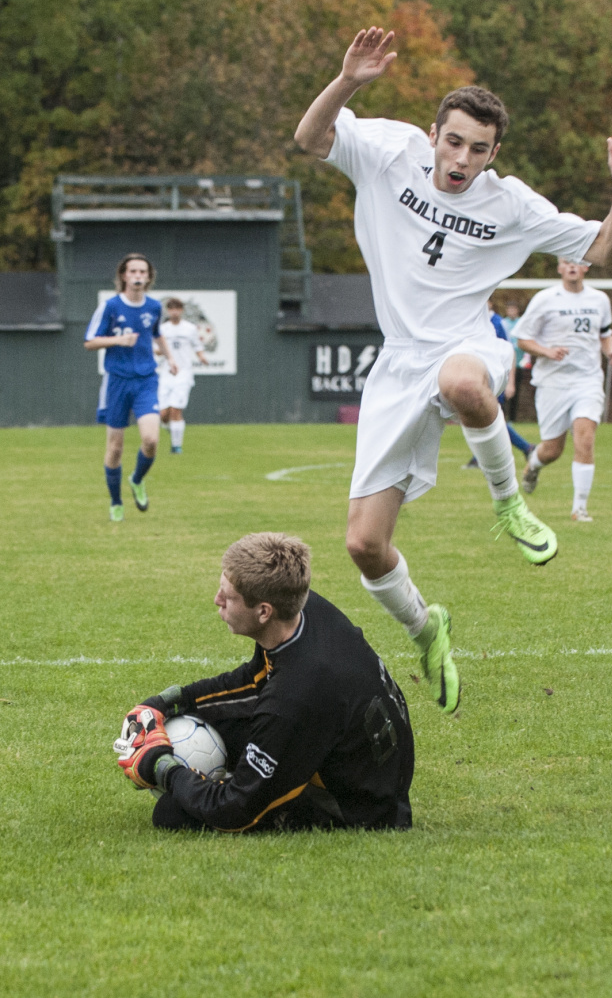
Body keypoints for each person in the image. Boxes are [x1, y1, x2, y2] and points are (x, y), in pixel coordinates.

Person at [294, 26, 612, 714]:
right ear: (433, 134)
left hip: (466, 340)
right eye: (453, 141)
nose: (461, 158)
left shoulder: (510, 204)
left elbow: (604, 247)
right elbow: (311, 138)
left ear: (494, 153)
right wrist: (348, 82)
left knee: (462, 385)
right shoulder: (389, 151)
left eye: (478, 148)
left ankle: (509, 503)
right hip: (397, 362)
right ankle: (428, 630)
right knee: (364, 544)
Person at [114, 532, 414, 833]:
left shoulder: (294, 696)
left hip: (357, 806)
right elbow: (254, 679)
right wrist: (169, 703)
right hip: (358, 761)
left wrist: (163, 768)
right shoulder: (302, 610)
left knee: (171, 813)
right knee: (205, 723)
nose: (216, 601)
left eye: (227, 597)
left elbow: (233, 811)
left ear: (263, 611)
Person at [517, 259, 612, 521]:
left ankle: (579, 508)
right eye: (567, 262)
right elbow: (523, 339)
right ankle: (533, 465)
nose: (573, 267)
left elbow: (605, 332)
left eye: (578, 262)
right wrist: (547, 351)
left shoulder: (599, 300)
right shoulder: (545, 299)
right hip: (553, 382)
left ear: (586, 267)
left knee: (585, 439)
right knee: (552, 450)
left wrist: (611, 351)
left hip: (587, 380)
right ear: (559, 268)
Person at [84, 253, 177, 521]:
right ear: (123, 275)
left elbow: (157, 333)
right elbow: (89, 341)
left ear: (148, 277)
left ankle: (137, 479)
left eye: (142, 272)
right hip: (117, 381)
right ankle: (116, 501)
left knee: (151, 440)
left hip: (146, 380)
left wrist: (170, 358)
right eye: (133, 271)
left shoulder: (154, 307)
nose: (137, 276)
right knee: (115, 447)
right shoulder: (110, 306)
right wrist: (118, 341)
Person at [464, 301, 534, 468]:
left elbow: (509, 352)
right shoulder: (470, 321)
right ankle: (524, 448)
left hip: (494, 377)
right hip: (477, 376)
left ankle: (525, 448)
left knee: (492, 419)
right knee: (486, 418)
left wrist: (510, 382)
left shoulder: (498, 323)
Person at [157, 298, 209, 454]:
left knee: (176, 410)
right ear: (167, 311)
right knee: (163, 414)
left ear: (182, 310)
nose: (174, 312)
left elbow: (197, 346)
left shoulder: (190, 328)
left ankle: (176, 446)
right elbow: (156, 349)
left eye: (177, 308)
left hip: (183, 373)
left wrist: (201, 357)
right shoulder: (162, 329)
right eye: (171, 309)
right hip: (166, 374)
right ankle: (172, 429)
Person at [501, 301, 530, 422]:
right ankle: (501, 418)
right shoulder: (503, 323)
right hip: (504, 365)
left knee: (515, 392)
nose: (512, 311)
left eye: (514, 309)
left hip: (518, 364)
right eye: (510, 309)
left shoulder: (522, 323)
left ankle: (512, 419)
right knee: (501, 391)